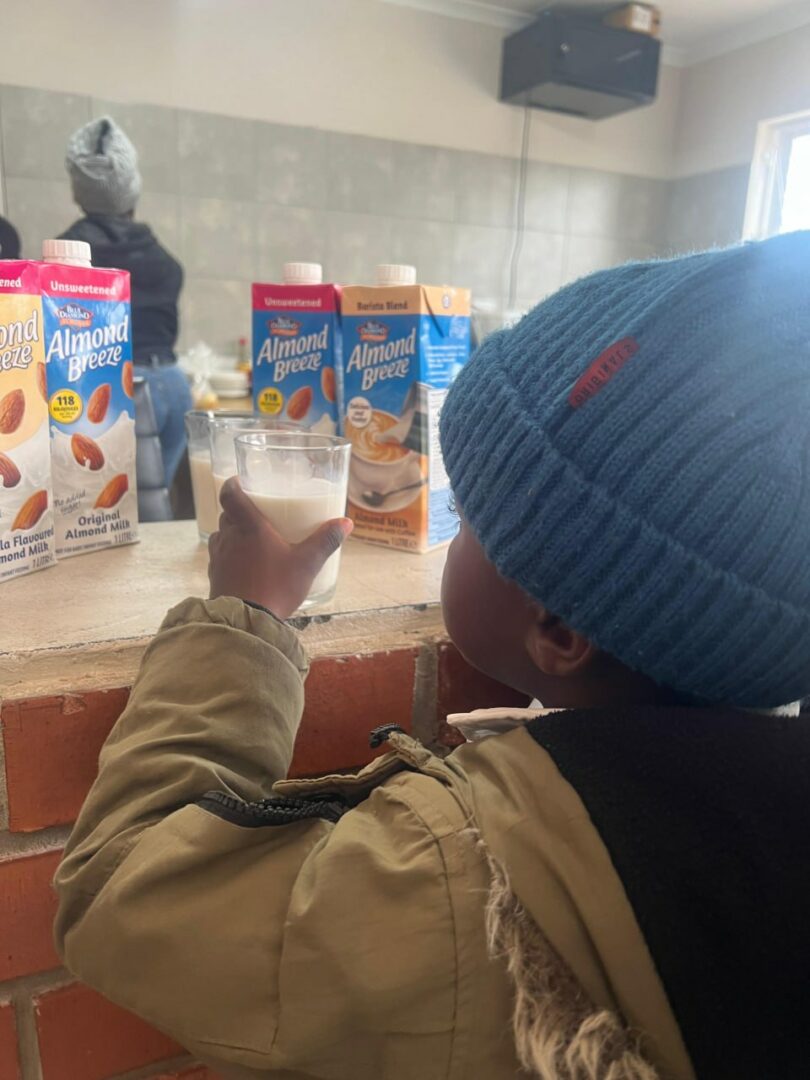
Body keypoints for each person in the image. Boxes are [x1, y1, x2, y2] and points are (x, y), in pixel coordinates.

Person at [54, 232, 810, 1080]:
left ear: (559, 633)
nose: (449, 534)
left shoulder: (459, 880)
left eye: (467, 521)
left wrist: (244, 616)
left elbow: (121, 900)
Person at [59, 116, 191, 486]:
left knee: (110, 502)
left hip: (116, 389)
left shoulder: (68, 258)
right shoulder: (158, 254)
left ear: (78, 191)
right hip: (172, 383)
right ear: (133, 189)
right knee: (154, 498)